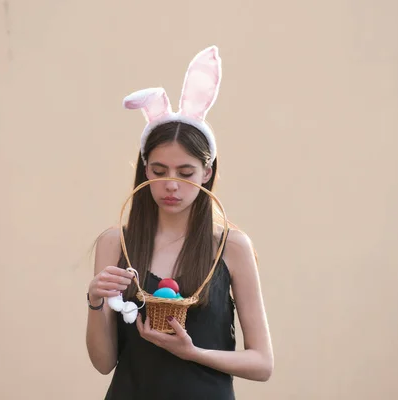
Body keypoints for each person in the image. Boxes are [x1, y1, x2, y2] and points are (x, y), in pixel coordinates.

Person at [85, 46, 273, 399]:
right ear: (144, 171)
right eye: (159, 171)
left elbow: (262, 363)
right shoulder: (115, 243)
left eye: (185, 173)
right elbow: (103, 362)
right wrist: (95, 300)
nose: (171, 184)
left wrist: (192, 353)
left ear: (207, 172)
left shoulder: (231, 247)